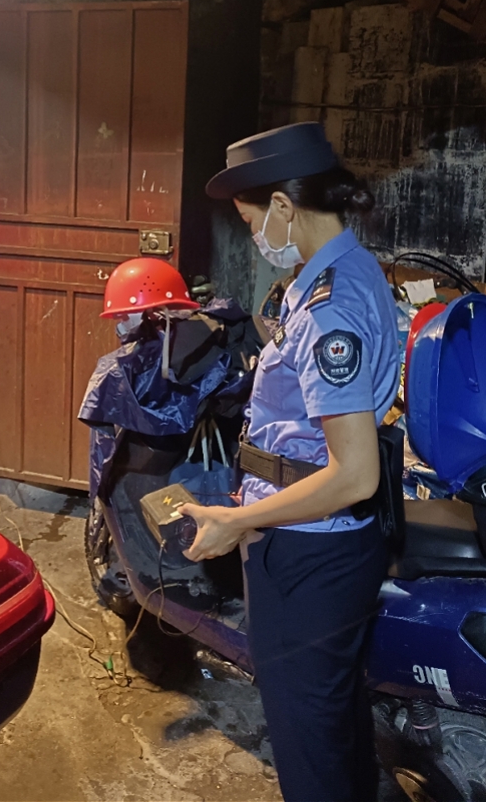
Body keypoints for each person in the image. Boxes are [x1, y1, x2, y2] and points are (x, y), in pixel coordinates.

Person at [179, 122, 400, 802]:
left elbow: (353, 473)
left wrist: (238, 520)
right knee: (333, 720)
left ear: (282, 205)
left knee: (308, 741)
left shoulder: (329, 309)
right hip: (326, 543)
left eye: (251, 222)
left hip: (309, 553)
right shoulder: (342, 274)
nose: (254, 237)